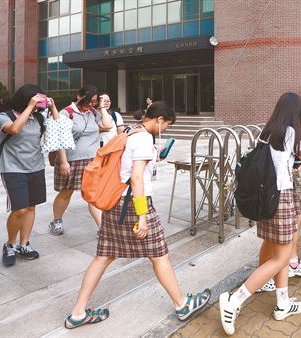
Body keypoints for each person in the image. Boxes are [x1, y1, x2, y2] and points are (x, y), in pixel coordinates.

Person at [64, 101, 211, 328]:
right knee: (159, 253)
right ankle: (182, 305)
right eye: (167, 125)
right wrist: (142, 215)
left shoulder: (133, 131)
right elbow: (136, 178)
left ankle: (77, 313)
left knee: (104, 256)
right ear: (159, 120)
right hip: (134, 205)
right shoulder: (143, 138)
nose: (166, 130)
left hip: (117, 203)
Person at [219, 93, 301, 335]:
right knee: (281, 257)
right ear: (296, 112)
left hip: (268, 197)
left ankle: (282, 303)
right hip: (281, 198)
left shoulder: (269, 131)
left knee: (275, 247)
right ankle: (234, 301)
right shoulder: (291, 131)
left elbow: (280, 162)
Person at [0, 85, 61, 266]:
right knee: (20, 209)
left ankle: (24, 244)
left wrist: (53, 108)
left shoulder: (38, 118)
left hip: (36, 167)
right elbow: (15, 129)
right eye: (36, 99)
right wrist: (30, 107)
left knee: (31, 207)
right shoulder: (4, 116)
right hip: (12, 168)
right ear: (26, 99)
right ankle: (10, 244)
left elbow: (58, 129)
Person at [49, 85, 114, 236]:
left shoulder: (92, 112)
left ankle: (102, 229)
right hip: (71, 160)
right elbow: (60, 139)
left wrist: (102, 107)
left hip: (91, 160)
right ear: (79, 96)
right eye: (89, 101)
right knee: (66, 193)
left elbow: (108, 125)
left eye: (94, 101)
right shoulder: (66, 113)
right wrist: (64, 162)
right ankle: (56, 220)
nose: (91, 104)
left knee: (93, 194)